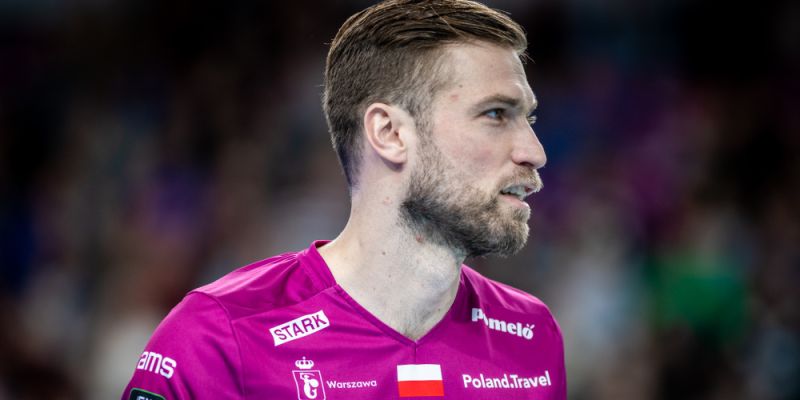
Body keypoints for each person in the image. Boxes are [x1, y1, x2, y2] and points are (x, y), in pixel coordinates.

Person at [122, 0, 566, 399]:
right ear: (390, 134)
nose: (535, 152)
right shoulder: (218, 338)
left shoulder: (532, 335)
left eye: (527, 118)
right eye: (495, 114)